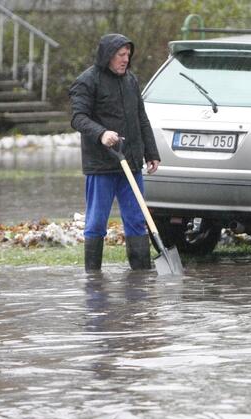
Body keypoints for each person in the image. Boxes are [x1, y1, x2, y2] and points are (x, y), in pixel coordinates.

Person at [69, 33, 160, 272]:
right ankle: (93, 276)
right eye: (121, 55)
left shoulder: (131, 81)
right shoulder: (87, 81)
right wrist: (101, 133)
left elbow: (142, 118)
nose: (125, 60)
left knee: (137, 220)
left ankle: (140, 274)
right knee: (97, 222)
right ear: (108, 56)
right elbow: (78, 118)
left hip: (130, 162)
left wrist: (151, 152)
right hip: (101, 165)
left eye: (128, 55)